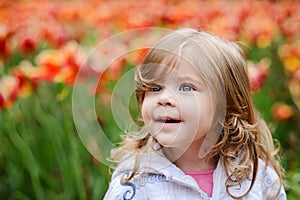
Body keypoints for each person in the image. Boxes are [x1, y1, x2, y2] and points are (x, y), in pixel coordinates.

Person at [104, 28, 286, 200]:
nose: (164, 98)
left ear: (227, 104)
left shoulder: (256, 175)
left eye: (186, 87)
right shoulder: (133, 184)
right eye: (155, 87)